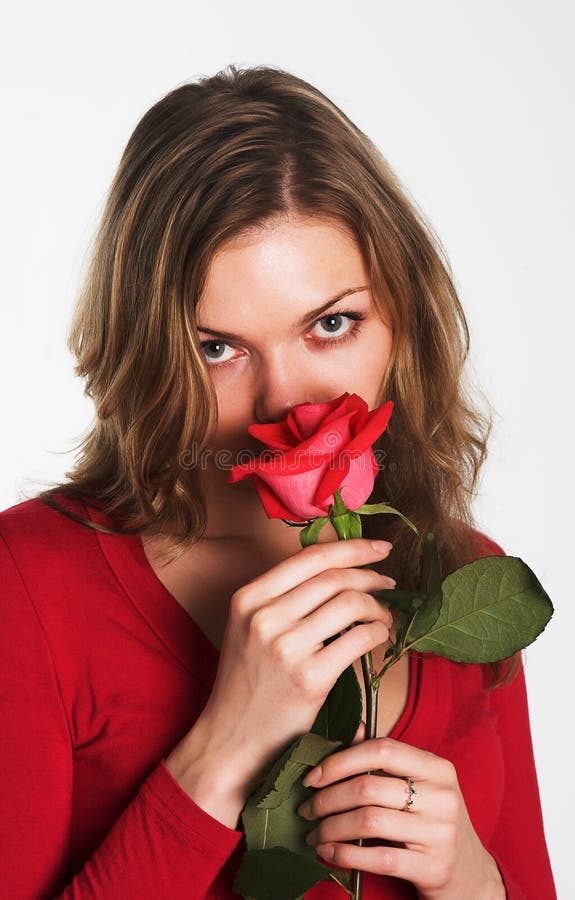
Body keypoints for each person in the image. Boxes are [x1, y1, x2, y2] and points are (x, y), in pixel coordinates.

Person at [0, 64, 555, 900]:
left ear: (402, 322)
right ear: (151, 351)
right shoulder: (28, 584)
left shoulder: (464, 579)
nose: (285, 405)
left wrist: (473, 883)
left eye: (331, 325)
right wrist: (222, 748)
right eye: (217, 347)